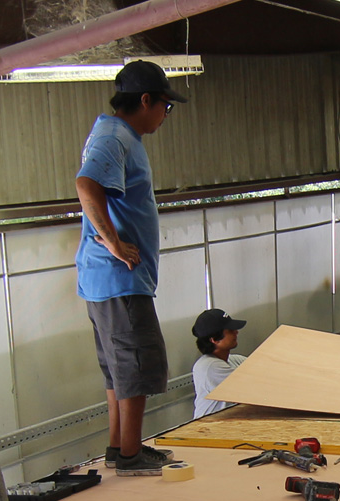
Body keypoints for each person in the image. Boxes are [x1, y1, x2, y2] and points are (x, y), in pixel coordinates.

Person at [75, 61, 187, 476]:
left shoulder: (115, 134)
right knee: (139, 361)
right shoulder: (114, 134)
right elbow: (87, 186)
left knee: (119, 367)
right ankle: (129, 457)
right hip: (118, 278)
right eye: (164, 106)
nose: (164, 114)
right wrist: (115, 244)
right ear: (145, 100)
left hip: (106, 279)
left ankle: (120, 447)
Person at [191, 309, 249, 419]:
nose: (236, 332)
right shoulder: (209, 366)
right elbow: (252, 387)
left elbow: (262, 368)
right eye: (230, 330)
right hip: (208, 430)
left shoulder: (232, 360)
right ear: (214, 340)